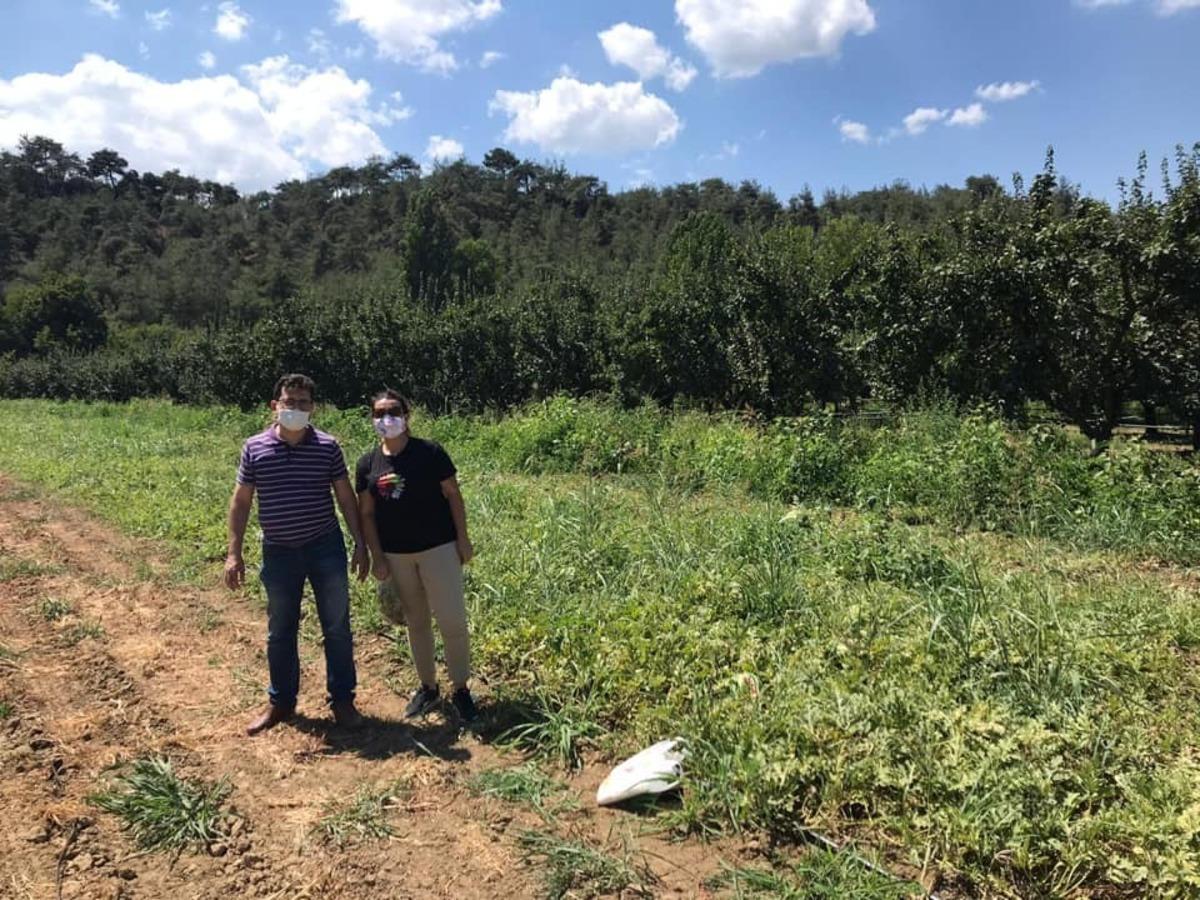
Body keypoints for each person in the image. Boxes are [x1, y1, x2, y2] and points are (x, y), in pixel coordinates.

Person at [224, 373, 370, 736]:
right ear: (275, 406)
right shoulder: (254, 447)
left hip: (324, 546)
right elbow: (241, 502)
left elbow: (345, 497)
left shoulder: (327, 447)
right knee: (280, 630)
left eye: (304, 403)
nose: (296, 409)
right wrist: (233, 553)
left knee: (337, 626)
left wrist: (360, 543)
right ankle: (281, 702)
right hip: (278, 552)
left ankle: (343, 702)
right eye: (290, 402)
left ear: (313, 408)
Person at [356, 389, 478, 723]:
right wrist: (376, 556)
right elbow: (366, 514)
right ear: (372, 419)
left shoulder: (430, 453)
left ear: (407, 415)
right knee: (416, 623)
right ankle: (427, 687)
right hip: (396, 556)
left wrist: (463, 539)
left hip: (438, 548)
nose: (386, 418)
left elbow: (453, 495)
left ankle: (461, 689)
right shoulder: (368, 463)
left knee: (452, 620)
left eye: (393, 411)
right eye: (379, 413)